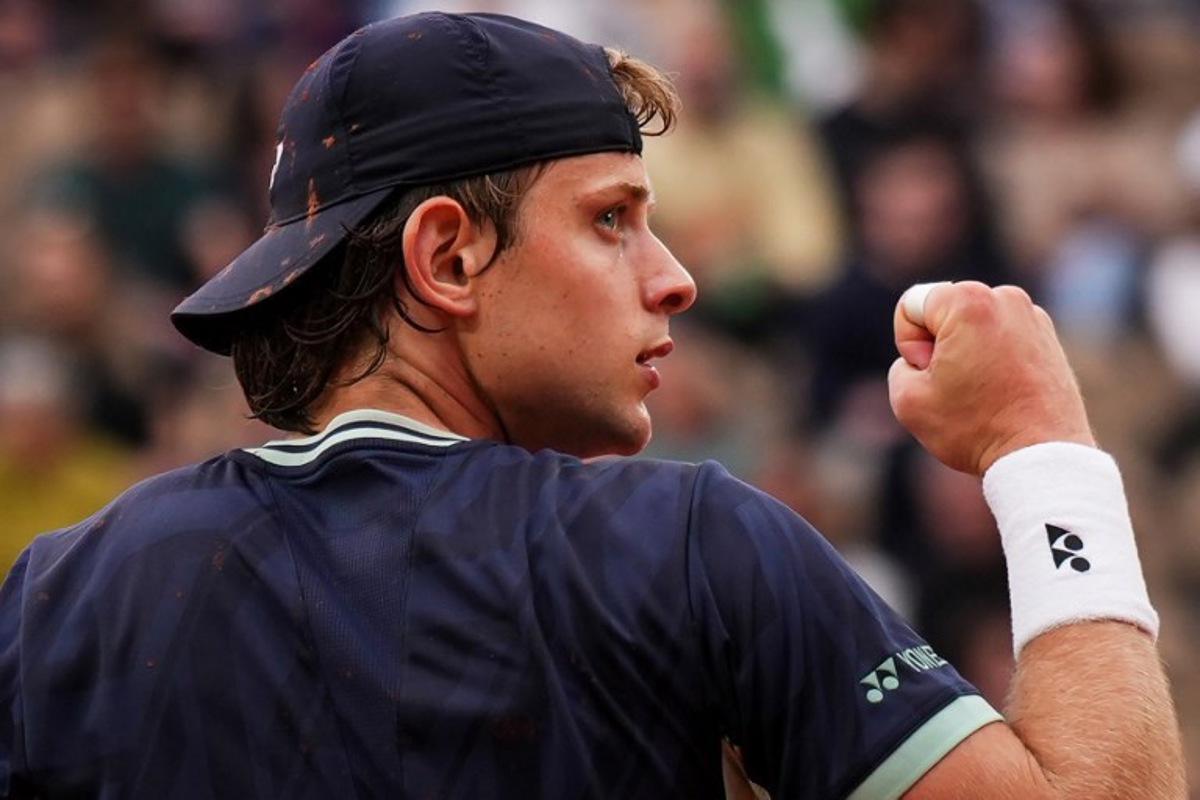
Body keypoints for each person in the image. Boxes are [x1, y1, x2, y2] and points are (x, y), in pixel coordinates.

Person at [0, 13, 1182, 799]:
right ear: (448, 257)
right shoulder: (684, 543)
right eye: (612, 216)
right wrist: (1044, 447)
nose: (675, 276)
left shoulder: (53, 596)